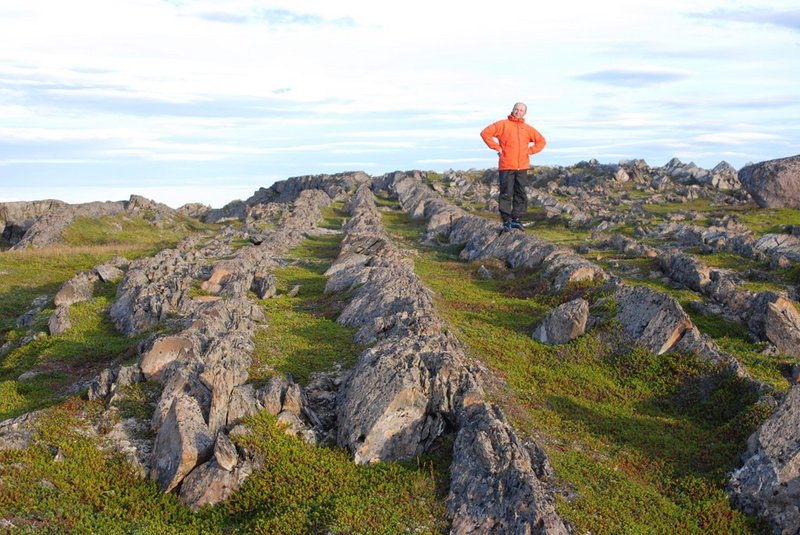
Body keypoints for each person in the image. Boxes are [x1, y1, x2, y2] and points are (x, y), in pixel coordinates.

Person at [480, 102, 546, 232]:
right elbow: (485, 133)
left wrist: (530, 151)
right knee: (506, 193)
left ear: (524, 113)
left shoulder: (527, 129)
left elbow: (541, 141)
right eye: (516, 109)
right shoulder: (502, 124)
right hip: (506, 165)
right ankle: (506, 221)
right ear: (512, 110)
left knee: (520, 193)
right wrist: (497, 147)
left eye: (521, 110)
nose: (518, 112)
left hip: (522, 166)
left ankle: (516, 219)